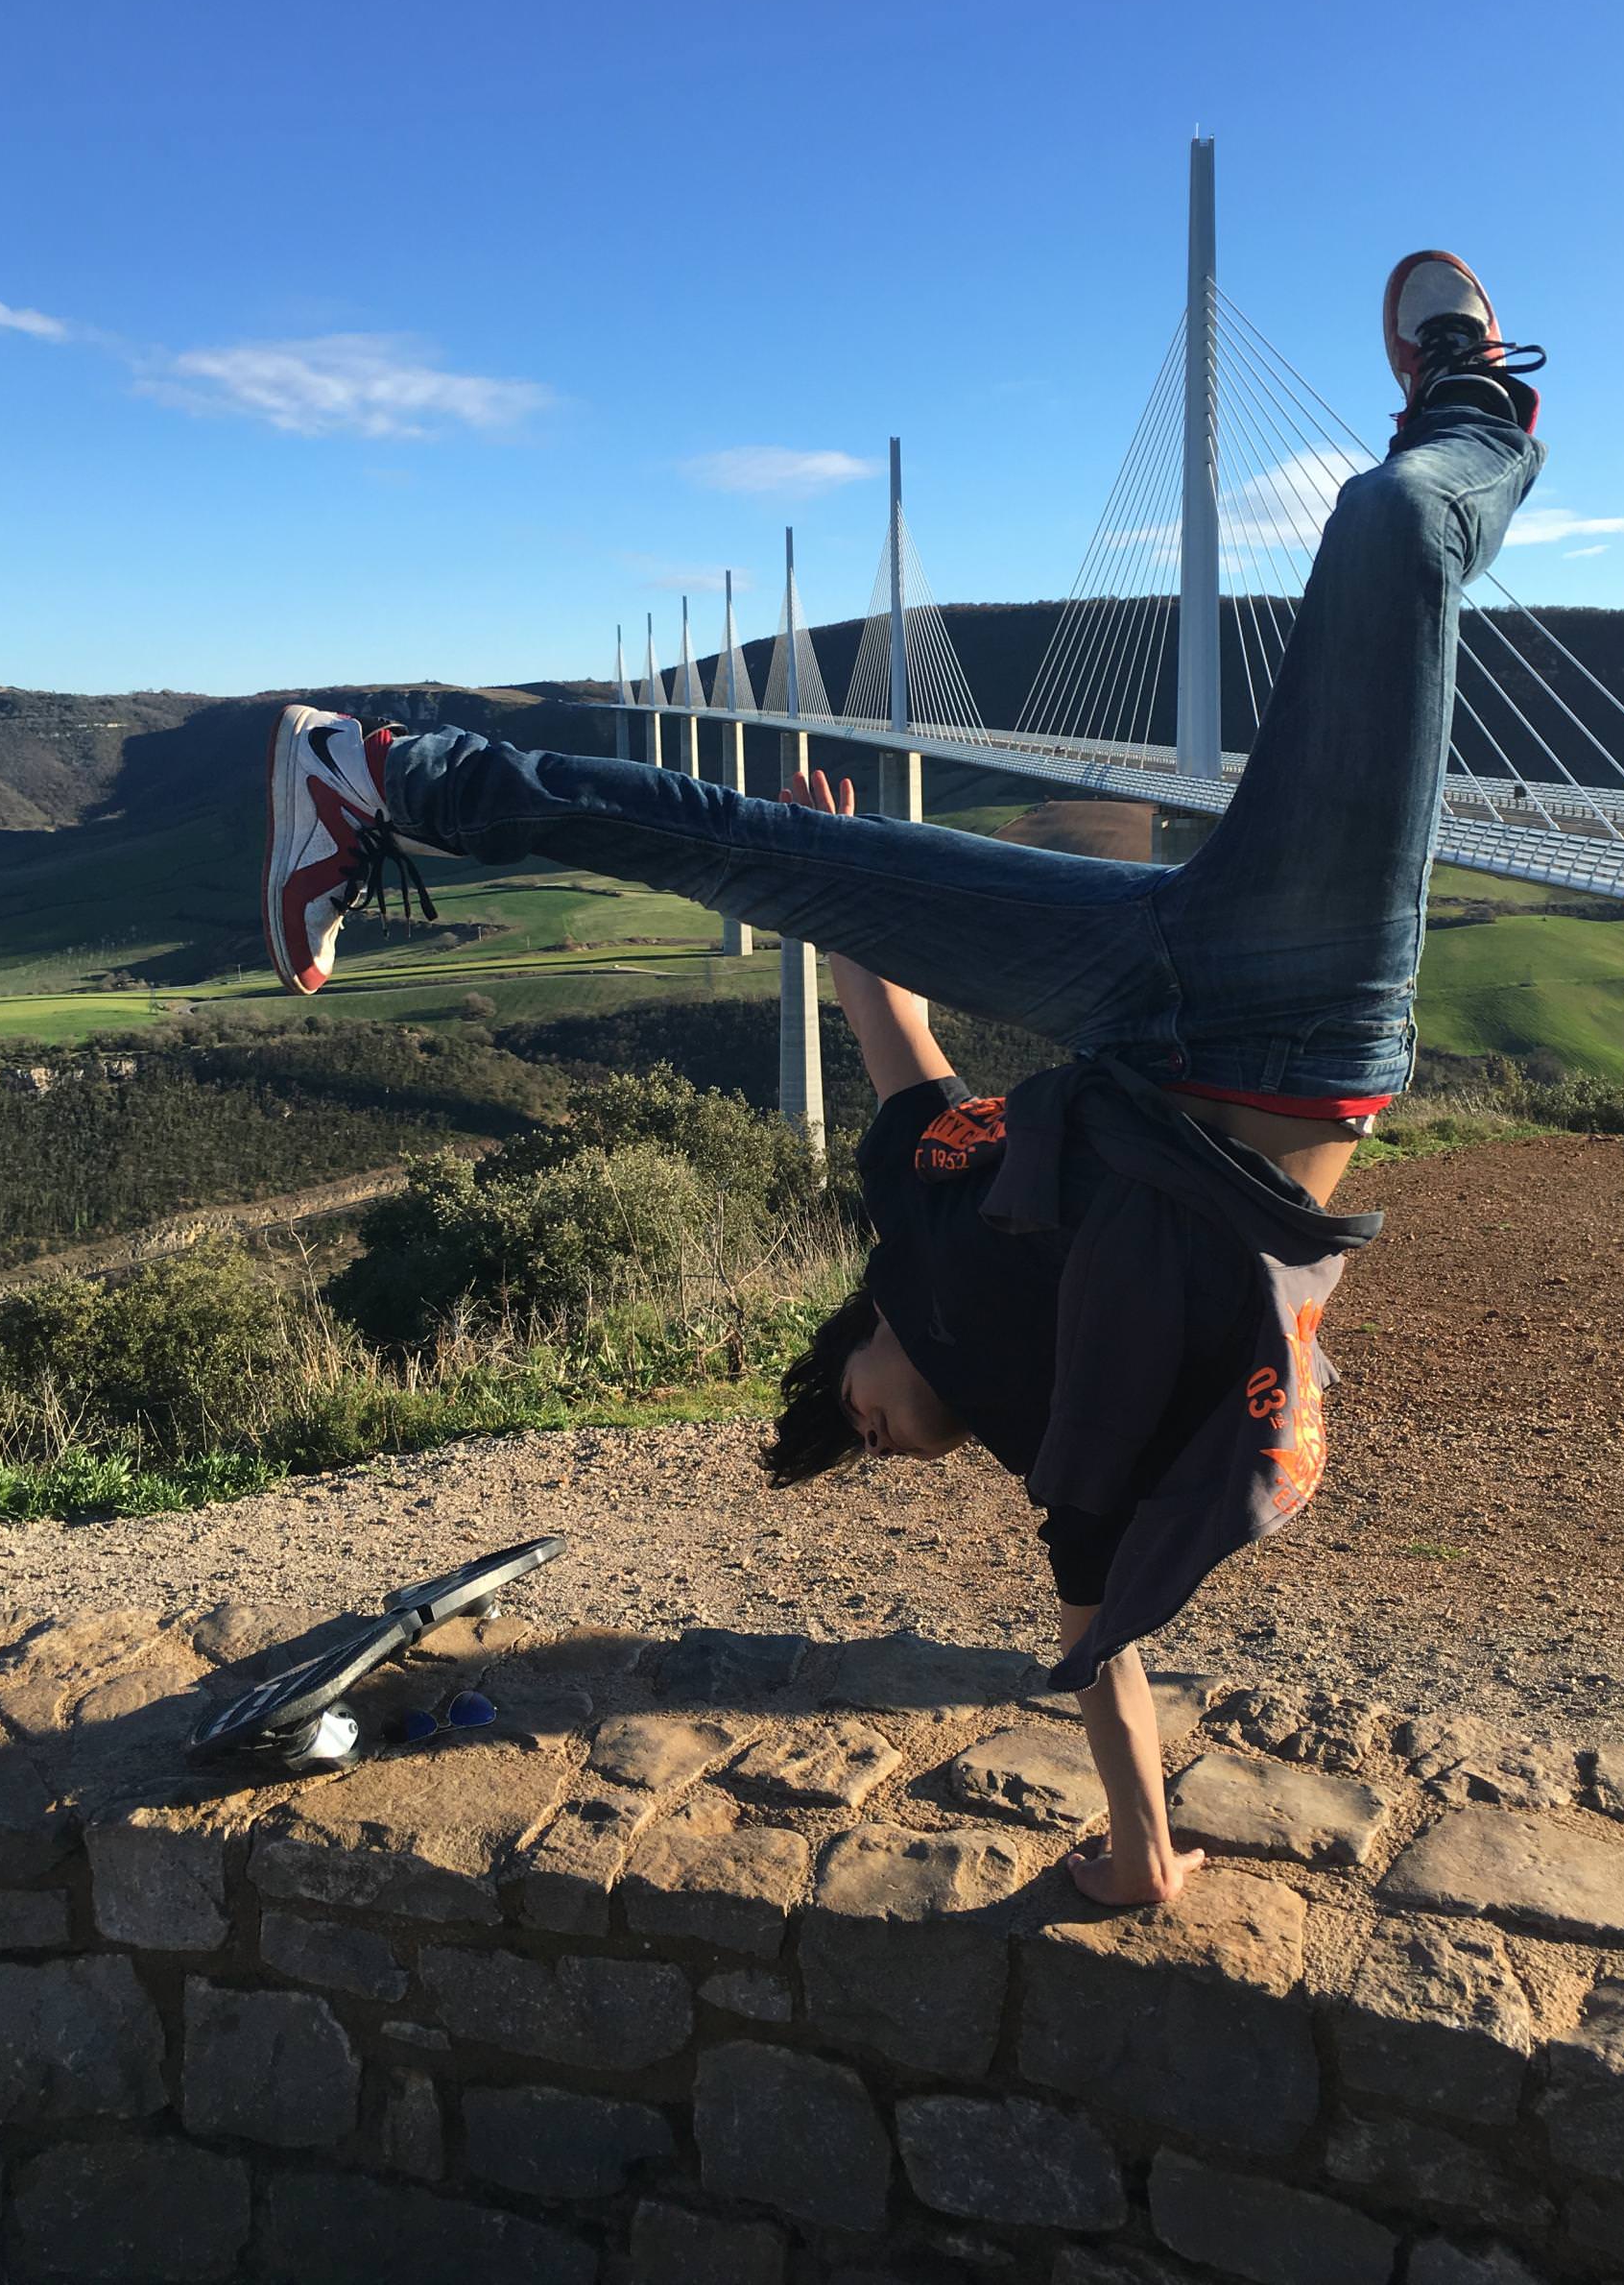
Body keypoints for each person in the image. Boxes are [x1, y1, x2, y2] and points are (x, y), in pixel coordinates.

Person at [262, 252, 1545, 1906]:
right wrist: (1142, 1855)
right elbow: (1097, 1651)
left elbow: (898, 1039)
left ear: (855, 1341)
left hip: (1139, 1004)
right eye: (879, 1452)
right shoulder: (1048, 1441)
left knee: (752, 848)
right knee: (1385, 537)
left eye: (853, 1430)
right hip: (1306, 1027)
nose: (884, 1442)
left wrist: (851, 877)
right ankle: (1472, 403)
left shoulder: (906, 1203)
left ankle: (369, 777)